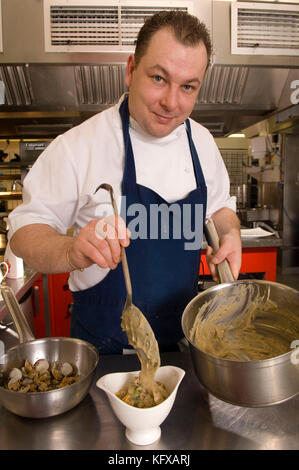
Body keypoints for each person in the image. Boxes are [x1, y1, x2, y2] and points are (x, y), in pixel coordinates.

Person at [8, 11, 241, 354]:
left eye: (188, 87)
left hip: (185, 349)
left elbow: (219, 208)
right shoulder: (80, 145)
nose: (171, 103)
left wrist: (230, 233)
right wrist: (70, 251)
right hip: (104, 353)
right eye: (159, 78)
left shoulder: (202, 143)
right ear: (131, 69)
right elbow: (24, 233)